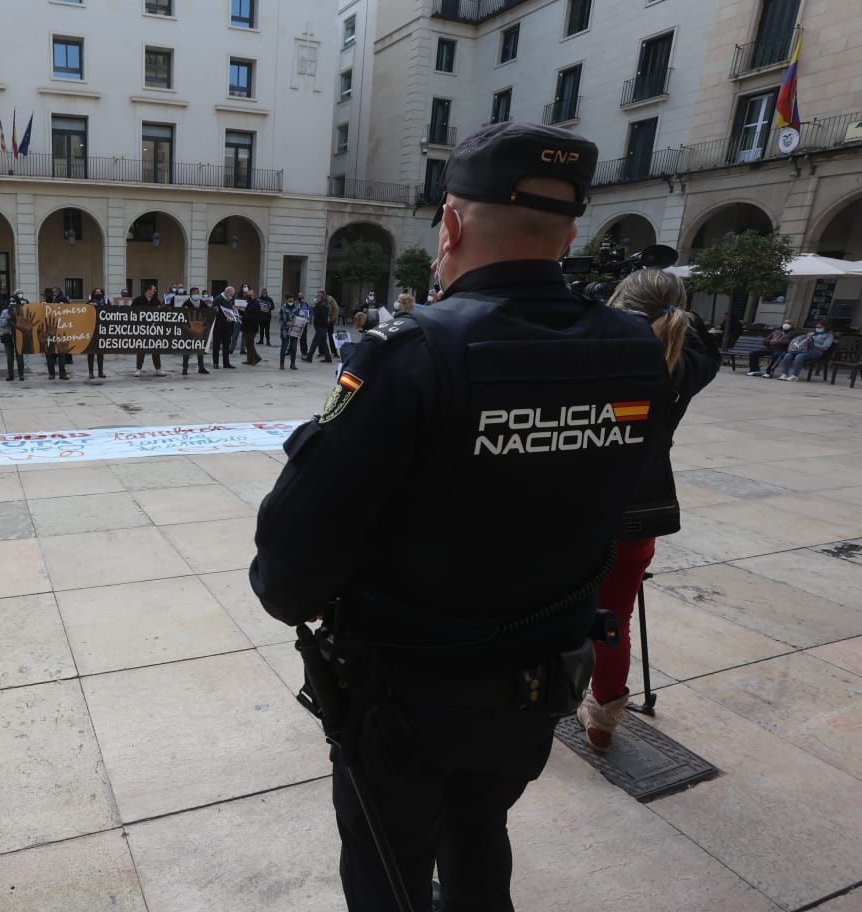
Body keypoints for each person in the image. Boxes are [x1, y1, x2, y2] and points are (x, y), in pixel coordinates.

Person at [249, 121, 672, 912]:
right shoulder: (631, 349)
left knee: (390, 874)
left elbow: (288, 571)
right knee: (480, 835)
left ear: (451, 224)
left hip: (408, 701)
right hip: (539, 685)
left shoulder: (409, 354)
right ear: (571, 229)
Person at [577, 269, 719, 753]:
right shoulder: (686, 360)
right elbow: (699, 339)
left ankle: (539, 695)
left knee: (543, 608)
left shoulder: (599, 348)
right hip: (640, 510)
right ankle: (604, 716)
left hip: (574, 507)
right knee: (611, 617)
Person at [134, 284, 166, 376]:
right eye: (153, 290)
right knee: (141, 349)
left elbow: (162, 313)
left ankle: (158, 369)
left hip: (154, 329)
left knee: (155, 349)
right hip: (141, 329)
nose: (154, 292)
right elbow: (131, 312)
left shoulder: (156, 300)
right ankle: (138, 369)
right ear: (148, 290)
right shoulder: (138, 300)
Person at [181, 288, 210, 376]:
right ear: (190, 294)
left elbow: (208, 312)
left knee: (200, 348)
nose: (196, 294)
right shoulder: (186, 303)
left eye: (198, 292)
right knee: (187, 349)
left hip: (200, 330)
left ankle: (201, 367)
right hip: (189, 330)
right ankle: (185, 368)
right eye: (194, 293)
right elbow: (181, 315)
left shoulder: (202, 303)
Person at [0, 291, 26, 381]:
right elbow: (1, 324)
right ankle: (10, 375)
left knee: (19, 356)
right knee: (9, 357)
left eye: (14, 301)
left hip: (18, 336)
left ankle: (21, 375)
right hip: (8, 336)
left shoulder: (22, 310)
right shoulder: (5, 311)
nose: (11, 303)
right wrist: (7, 319)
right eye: (10, 301)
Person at [278, 293, 308, 370]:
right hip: (285, 331)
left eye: (292, 299)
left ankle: (292, 364)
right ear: (287, 300)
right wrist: (286, 323)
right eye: (289, 299)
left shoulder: (297, 307)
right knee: (284, 347)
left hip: (295, 331)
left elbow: (300, 317)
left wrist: (300, 321)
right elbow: (280, 320)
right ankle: (282, 364)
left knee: (294, 348)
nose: (291, 300)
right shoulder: (283, 308)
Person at [211, 286, 237, 370]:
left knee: (226, 345)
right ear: (228, 293)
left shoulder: (228, 300)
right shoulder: (218, 299)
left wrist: (232, 316)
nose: (232, 296)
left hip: (227, 326)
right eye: (232, 295)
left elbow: (230, 310)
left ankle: (226, 363)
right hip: (218, 326)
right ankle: (216, 363)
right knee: (216, 345)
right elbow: (214, 312)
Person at [304, 290, 333, 363]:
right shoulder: (321, 304)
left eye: (319, 295)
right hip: (321, 326)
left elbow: (322, 317)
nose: (317, 297)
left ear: (323, 296)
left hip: (321, 327)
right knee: (323, 342)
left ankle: (309, 357)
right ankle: (328, 358)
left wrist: (320, 326)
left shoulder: (323, 305)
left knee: (315, 342)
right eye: (317, 295)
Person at [88, 288, 108, 380]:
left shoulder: (106, 302)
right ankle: (91, 372)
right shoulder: (89, 302)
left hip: (101, 330)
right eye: (96, 292)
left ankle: (101, 372)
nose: (98, 294)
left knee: (100, 353)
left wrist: (99, 305)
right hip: (91, 331)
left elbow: (111, 311)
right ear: (93, 294)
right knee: (91, 353)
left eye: (100, 292)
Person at [241, 290, 264, 365]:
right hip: (247, 326)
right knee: (248, 344)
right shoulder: (250, 303)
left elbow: (253, 316)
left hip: (252, 327)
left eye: (249, 295)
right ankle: (250, 360)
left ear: (253, 295)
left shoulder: (256, 304)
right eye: (247, 295)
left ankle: (257, 358)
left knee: (249, 344)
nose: (247, 296)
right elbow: (247, 312)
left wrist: (243, 317)